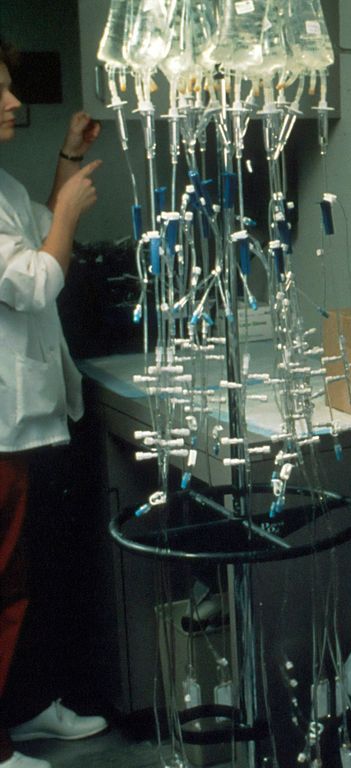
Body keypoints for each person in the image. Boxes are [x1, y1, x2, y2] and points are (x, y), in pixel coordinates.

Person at [0, 38, 109, 768]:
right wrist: (68, 210)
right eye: (0, 94)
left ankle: (29, 707)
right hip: (1, 428)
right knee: (0, 587)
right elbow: (36, 278)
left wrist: (67, 162)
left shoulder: (1, 182)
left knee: (30, 579)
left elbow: (36, 232)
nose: (15, 104)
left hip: (30, 416)